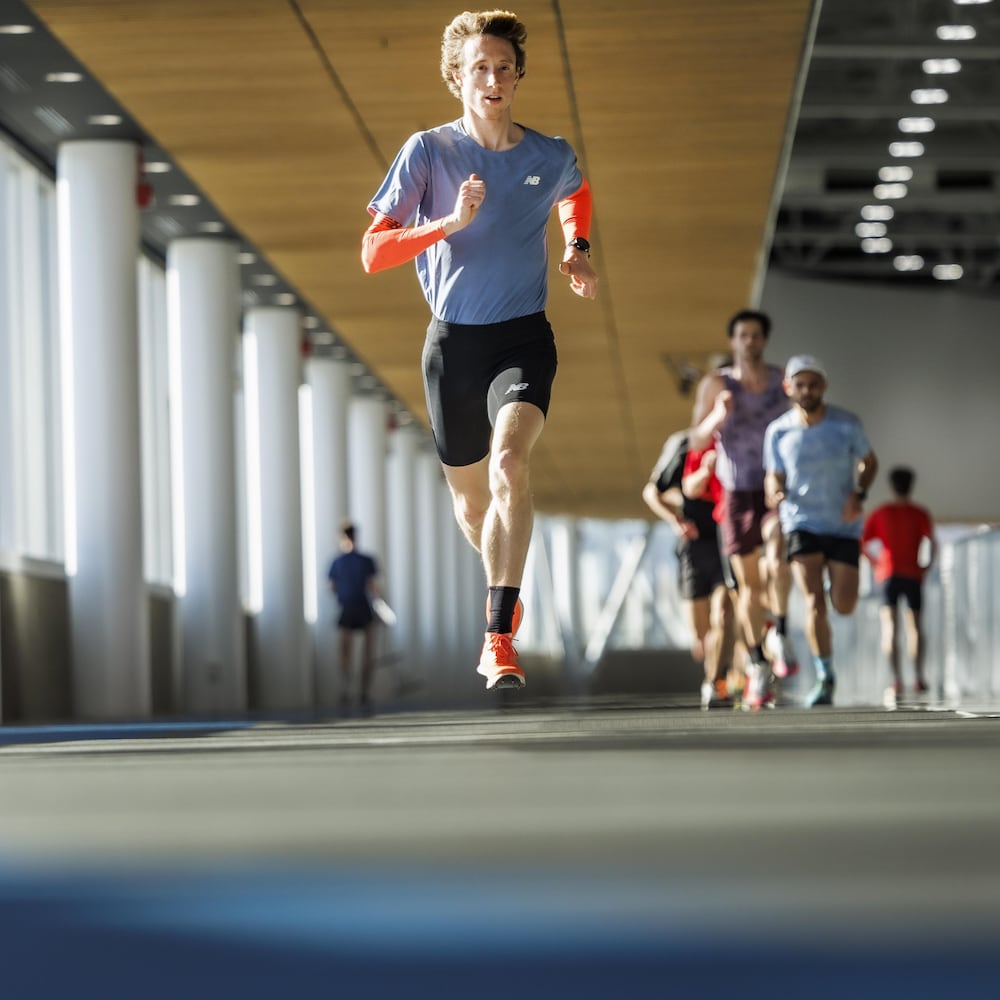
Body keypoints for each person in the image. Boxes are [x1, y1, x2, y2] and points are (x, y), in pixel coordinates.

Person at [361, 9, 598, 691]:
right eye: (478, 68)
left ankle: (497, 636)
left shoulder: (546, 154)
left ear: (517, 74)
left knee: (511, 462)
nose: (491, 78)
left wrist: (576, 250)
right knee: (475, 508)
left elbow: (574, 191)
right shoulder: (428, 153)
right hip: (453, 344)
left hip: (523, 335)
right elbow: (373, 251)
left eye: (502, 67)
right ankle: (508, 581)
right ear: (456, 78)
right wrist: (446, 223)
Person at [688, 309, 796, 710]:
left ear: (763, 340)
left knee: (778, 547)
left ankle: (781, 630)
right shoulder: (717, 384)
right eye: (742, 335)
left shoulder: (780, 383)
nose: (749, 341)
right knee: (747, 587)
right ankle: (757, 661)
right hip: (735, 493)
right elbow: (696, 440)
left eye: (755, 335)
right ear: (733, 341)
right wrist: (718, 415)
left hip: (772, 486)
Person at [764, 356, 878, 707]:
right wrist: (775, 492)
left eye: (813, 384)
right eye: (800, 385)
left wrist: (859, 495)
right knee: (813, 602)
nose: (807, 391)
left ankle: (835, 586)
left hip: (843, 525)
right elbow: (774, 475)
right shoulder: (779, 431)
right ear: (789, 388)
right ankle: (826, 675)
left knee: (843, 605)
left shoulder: (846, 424)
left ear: (824, 387)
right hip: (802, 522)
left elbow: (868, 461)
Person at [642, 432, 735, 710]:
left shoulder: (737, 441)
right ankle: (713, 667)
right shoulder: (682, 444)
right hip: (693, 547)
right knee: (700, 632)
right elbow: (651, 492)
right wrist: (676, 520)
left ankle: (715, 680)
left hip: (725, 543)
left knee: (725, 613)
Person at [862, 466, 936, 704]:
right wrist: (926, 566)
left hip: (889, 574)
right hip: (913, 573)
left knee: (890, 628)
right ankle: (918, 676)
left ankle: (896, 679)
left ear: (891, 486)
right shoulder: (919, 513)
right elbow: (932, 543)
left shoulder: (882, 513)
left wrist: (875, 563)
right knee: (915, 627)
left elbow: (861, 542)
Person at [327, 521, 381, 710]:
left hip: (349, 607)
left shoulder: (338, 562)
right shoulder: (365, 560)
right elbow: (374, 588)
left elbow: (332, 587)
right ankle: (361, 691)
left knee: (347, 652)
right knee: (365, 652)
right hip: (361, 606)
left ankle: (348, 689)